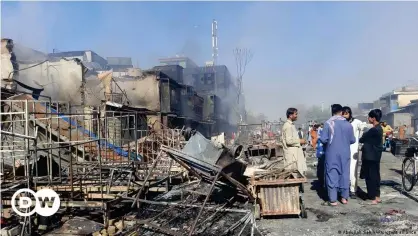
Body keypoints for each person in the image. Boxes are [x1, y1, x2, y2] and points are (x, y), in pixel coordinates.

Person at [319, 104, 356, 206]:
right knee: (344, 173)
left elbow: (324, 139)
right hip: (345, 153)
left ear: (332, 111)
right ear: (341, 112)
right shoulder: (348, 125)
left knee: (332, 173)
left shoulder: (328, 123)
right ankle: (344, 198)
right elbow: (352, 140)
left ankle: (333, 199)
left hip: (332, 153)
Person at [359, 109, 384, 205]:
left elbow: (362, 139)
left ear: (373, 118)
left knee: (370, 177)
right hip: (376, 156)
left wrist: (364, 133)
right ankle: (377, 196)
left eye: (369, 117)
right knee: (376, 176)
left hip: (370, 156)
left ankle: (373, 196)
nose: (368, 118)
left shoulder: (373, 130)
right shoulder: (379, 128)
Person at [342, 106, 363, 199]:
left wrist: (359, 141)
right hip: (343, 149)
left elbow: (363, 128)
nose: (345, 115)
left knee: (353, 170)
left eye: (346, 113)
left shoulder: (356, 122)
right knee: (343, 170)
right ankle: (344, 188)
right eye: (343, 113)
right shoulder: (341, 123)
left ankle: (353, 189)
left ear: (350, 113)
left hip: (353, 149)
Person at [281, 108, 307, 174]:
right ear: (290, 115)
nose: (297, 116)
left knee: (296, 173)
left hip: (294, 154)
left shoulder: (291, 125)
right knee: (292, 174)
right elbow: (289, 141)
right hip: (291, 155)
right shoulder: (288, 126)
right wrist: (300, 141)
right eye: (295, 114)